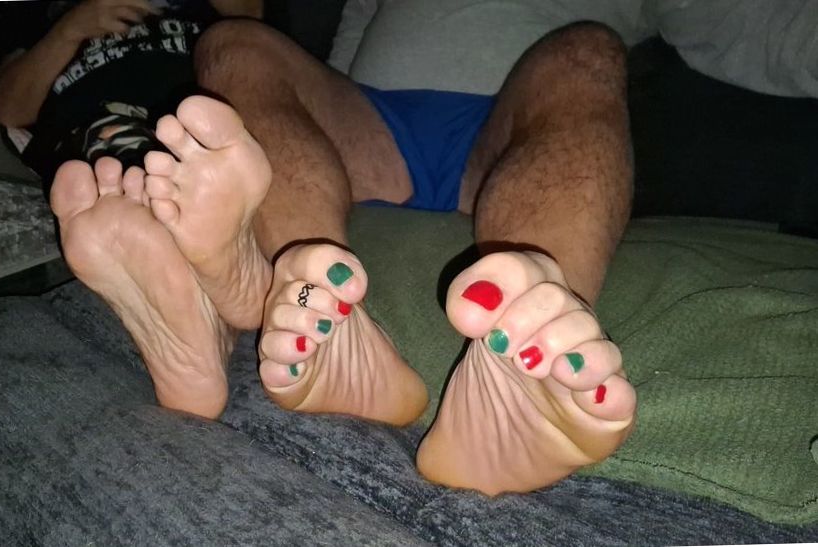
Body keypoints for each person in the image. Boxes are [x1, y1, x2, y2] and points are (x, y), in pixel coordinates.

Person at [48, 12, 638, 495]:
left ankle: (527, 347)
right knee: (234, 44)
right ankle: (308, 292)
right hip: (371, 121)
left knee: (585, 49)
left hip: (519, 128)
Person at [0, 0, 261, 186]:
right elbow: (11, 109)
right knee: (117, 150)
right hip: (93, 112)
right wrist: (71, 29)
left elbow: (252, 17)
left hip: (207, 87)